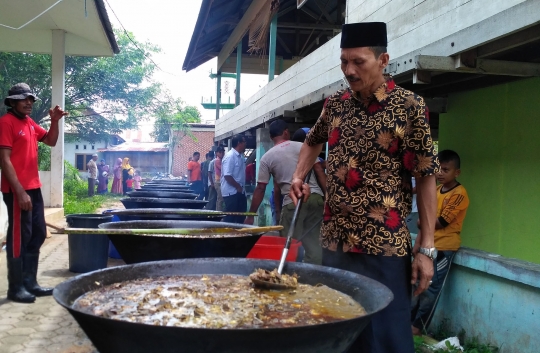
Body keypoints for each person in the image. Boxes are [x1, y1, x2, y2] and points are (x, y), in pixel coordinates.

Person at [289, 22, 439, 353]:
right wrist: (299, 176)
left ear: (383, 60)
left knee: (386, 338)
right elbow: (312, 142)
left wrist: (426, 249)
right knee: (337, 329)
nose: (349, 70)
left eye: (359, 62)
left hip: (383, 244)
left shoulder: (409, 107)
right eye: (344, 61)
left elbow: (426, 176)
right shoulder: (335, 104)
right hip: (335, 241)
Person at [0, 83, 68, 303]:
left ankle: (30, 282)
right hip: (17, 189)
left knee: (37, 234)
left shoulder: (29, 123)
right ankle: (16, 288)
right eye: (23, 99)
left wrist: (55, 121)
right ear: (12, 102)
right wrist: (19, 192)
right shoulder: (6, 123)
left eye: (30, 98)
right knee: (19, 238)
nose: (28, 102)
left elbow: (50, 140)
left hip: (34, 187)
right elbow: (4, 160)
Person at [245, 120, 326, 264]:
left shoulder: (267, 157)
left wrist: (251, 215)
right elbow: (319, 170)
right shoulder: (303, 147)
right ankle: (312, 278)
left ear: (271, 137)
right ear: (286, 132)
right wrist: (329, 197)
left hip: (293, 202)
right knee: (314, 246)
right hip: (316, 198)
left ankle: (290, 278)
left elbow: (261, 188)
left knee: (288, 246)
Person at [411, 150, 469, 335]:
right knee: (415, 285)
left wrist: (422, 222)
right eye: (438, 169)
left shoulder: (459, 195)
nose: (440, 173)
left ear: (456, 173)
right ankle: (407, 323)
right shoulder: (435, 190)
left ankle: (418, 328)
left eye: (446, 170)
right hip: (426, 248)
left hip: (444, 248)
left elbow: (439, 222)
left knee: (431, 289)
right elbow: (424, 225)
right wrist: (417, 246)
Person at [221, 135, 247, 223]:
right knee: (230, 218)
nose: (245, 144)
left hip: (239, 192)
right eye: (244, 142)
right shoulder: (230, 156)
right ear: (239, 143)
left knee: (240, 216)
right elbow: (227, 175)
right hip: (232, 192)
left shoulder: (240, 156)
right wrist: (238, 187)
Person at [213, 146, 225, 211]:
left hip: (221, 181)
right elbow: (223, 169)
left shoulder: (221, 160)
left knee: (221, 198)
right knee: (220, 199)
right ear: (217, 153)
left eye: (223, 152)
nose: (222, 154)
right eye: (220, 152)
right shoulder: (217, 160)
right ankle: (218, 212)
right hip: (218, 182)